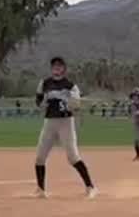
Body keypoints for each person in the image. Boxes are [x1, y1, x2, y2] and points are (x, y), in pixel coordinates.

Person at [34, 56, 96, 199]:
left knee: (73, 157)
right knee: (40, 157)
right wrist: (41, 103)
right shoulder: (44, 83)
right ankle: (40, 189)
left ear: (64, 68)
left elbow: (76, 103)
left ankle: (90, 187)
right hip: (49, 121)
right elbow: (38, 100)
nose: (56, 67)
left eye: (59, 65)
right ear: (51, 68)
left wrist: (72, 102)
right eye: (54, 65)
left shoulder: (70, 86)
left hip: (65, 122)